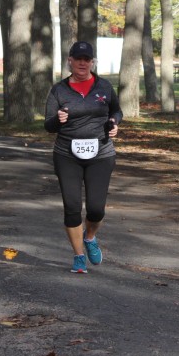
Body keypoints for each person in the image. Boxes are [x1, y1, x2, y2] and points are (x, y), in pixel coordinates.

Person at [44, 41, 122, 274]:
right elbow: (48, 125)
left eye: (86, 59)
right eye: (78, 59)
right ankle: (79, 256)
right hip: (67, 154)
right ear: (70, 61)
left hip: (101, 153)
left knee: (96, 209)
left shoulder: (104, 86)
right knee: (72, 207)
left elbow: (116, 110)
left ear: (92, 62)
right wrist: (58, 119)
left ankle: (90, 237)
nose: (82, 63)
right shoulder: (59, 90)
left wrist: (114, 122)